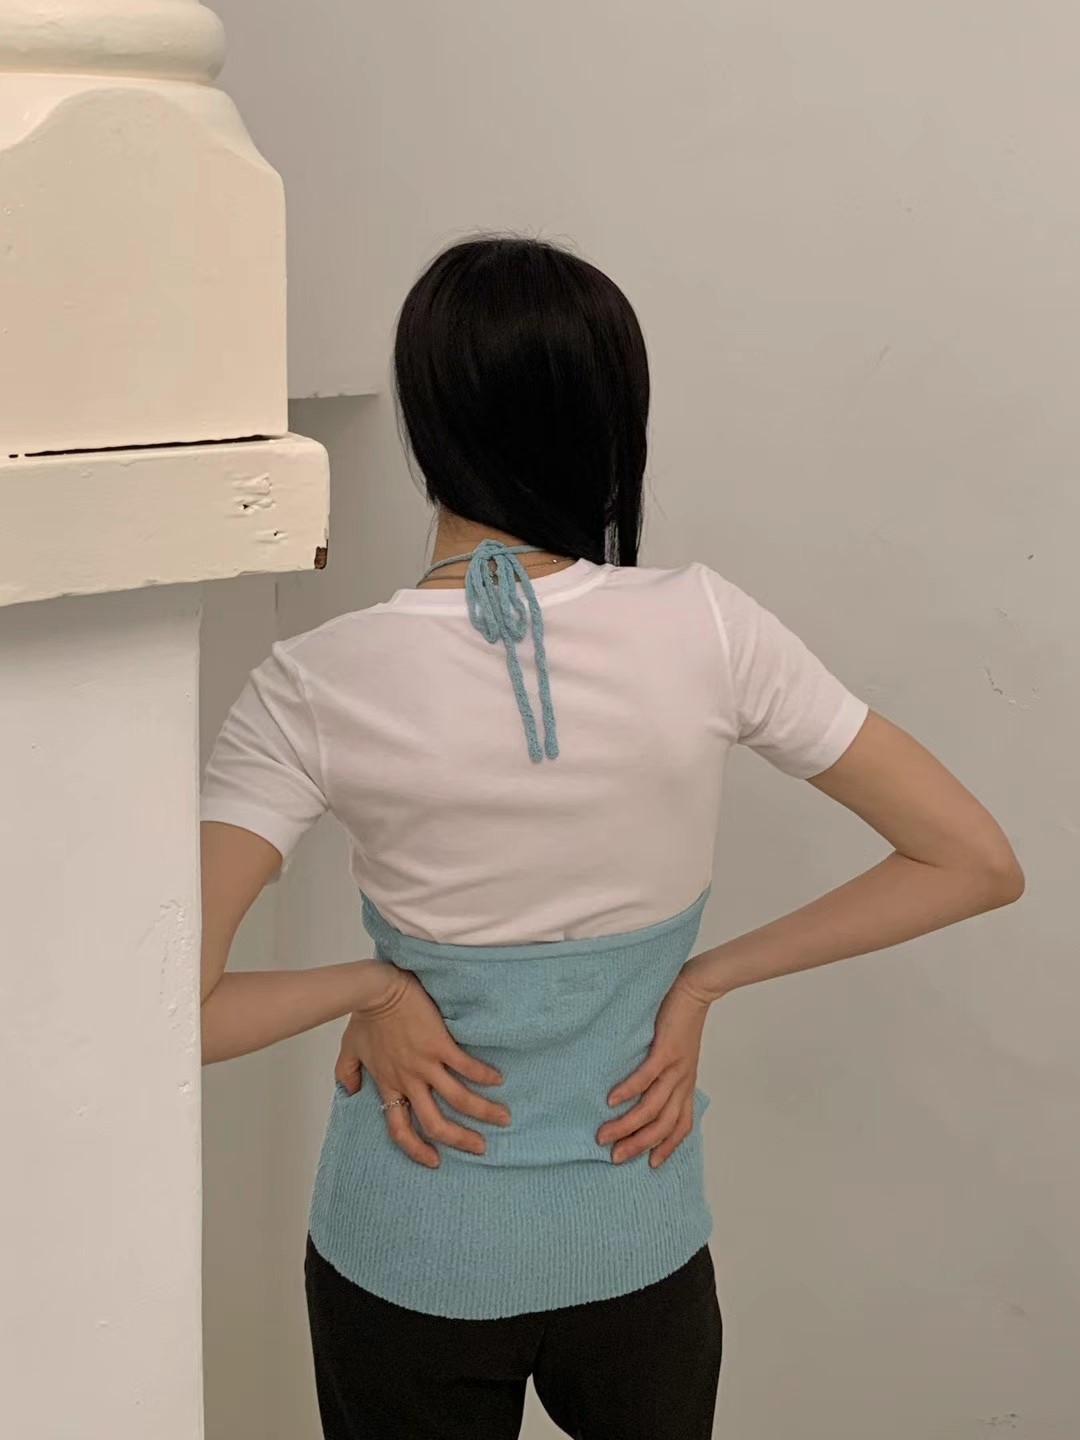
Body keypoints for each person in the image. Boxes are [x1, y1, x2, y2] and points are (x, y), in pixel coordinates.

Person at [199, 235, 1024, 1440]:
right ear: (611, 424)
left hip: (409, 1248)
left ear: (425, 426)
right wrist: (701, 981)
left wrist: (375, 988)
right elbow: (975, 860)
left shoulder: (314, 682)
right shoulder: (709, 628)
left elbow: (164, 1011)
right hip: (640, 1245)